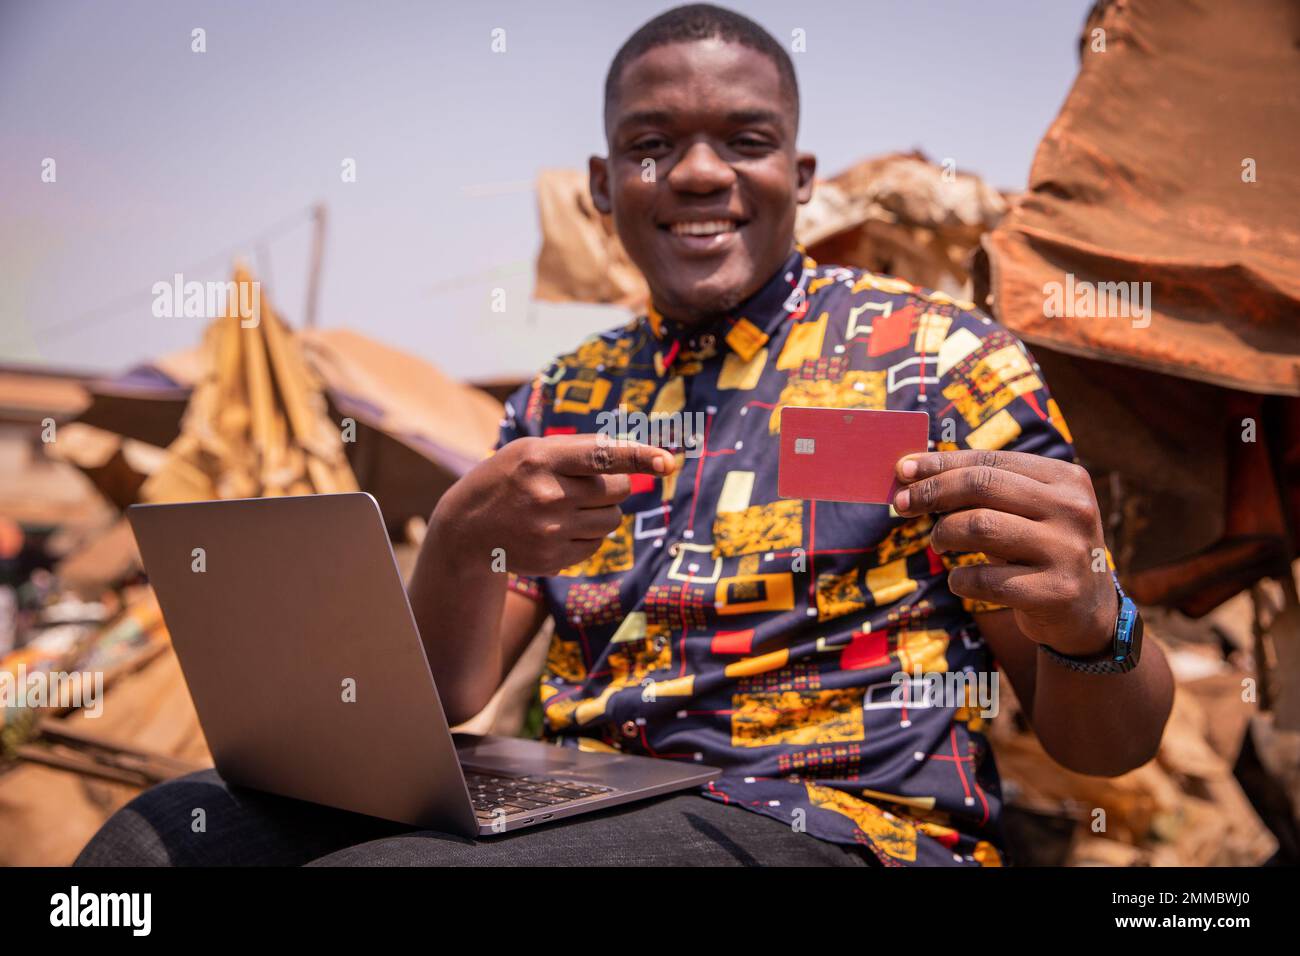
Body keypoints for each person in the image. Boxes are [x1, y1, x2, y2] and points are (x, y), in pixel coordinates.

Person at [79, 3, 1172, 867]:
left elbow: (1104, 740)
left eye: (744, 140)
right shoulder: (564, 394)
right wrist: (461, 537)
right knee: (159, 835)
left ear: (798, 180)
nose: (698, 172)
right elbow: (451, 696)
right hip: (577, 795)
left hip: (841, 819)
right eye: (652, 145)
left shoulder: (942, 358)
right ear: (604, 187)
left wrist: (1096, 619)